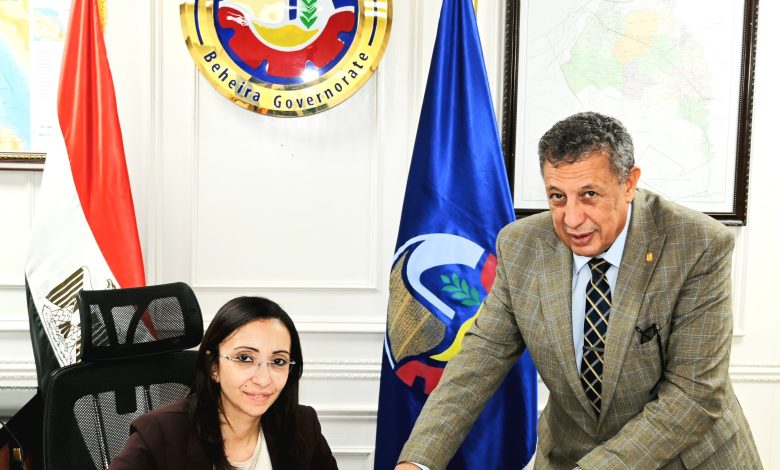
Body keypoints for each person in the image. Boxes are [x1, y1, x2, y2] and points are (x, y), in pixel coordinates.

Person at [395, 112, 762, 469]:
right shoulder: (522, 246)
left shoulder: (697, 245)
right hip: (569, 453)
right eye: (557, 196)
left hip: (683, 458)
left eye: (589, 195)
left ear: (629, 184)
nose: (571, 219)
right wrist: (419, 461)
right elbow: (478, 360)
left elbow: (693, 395)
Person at [110, 296, 338, 470]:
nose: (263, 379)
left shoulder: (302, 425)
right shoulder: (160, 433)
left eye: (278, 361)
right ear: (214, 367)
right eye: (245, 358)